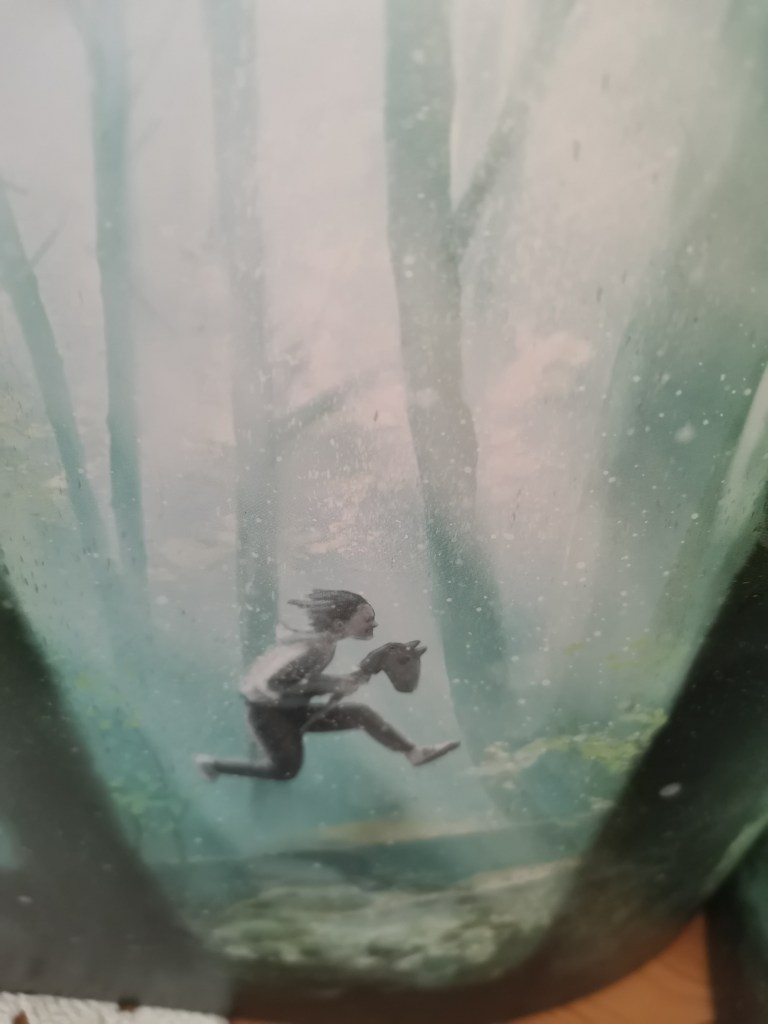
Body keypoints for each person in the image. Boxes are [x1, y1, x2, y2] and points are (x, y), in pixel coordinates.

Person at [195, 589, 459, 781]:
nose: (374, 623)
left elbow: (307, 683)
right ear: (340, 624)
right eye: (367, 619)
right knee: (286, 770)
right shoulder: (317, 647)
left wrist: (356, 674)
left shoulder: (326, 644)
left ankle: (413, 753)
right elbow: (273, 685)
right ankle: (214, 765)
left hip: (291, 709)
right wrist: (333, 685)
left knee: (360, 714)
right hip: (271, 714)